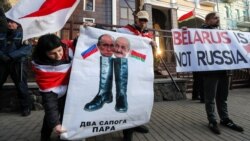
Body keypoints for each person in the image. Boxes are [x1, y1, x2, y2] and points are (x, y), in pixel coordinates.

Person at [201, 12, 244, 134]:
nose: (218, 19)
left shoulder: (221, 32)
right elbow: (190, 39)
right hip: (210, 71)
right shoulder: (200, 32)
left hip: (223, 70)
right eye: (215, 18)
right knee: (210, 98)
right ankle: (212, 120)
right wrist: (184, 32)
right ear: (208, 20)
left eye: (218, 18)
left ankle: (225, 119)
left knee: (223, 97)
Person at [32, 34, 73, 141]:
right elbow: (50, 104)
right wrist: (55, 124)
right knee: (50, 117)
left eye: (59, 50)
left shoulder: (67, 48)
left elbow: (82, 43)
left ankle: (62, 135)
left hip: (68, 90)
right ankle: (45, 136)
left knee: (65, 114)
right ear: (44, 54)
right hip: (52, 92)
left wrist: (89, 28)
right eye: (52, 54)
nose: (58, 55)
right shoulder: (42, 70)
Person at [0, 11, 32, 117]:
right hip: (3, 63)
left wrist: (11, 56)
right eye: (8, 22)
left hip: (17, 63)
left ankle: (26, 108)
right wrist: (2, 56)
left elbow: (27, 49)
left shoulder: (23, 35)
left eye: (12, 22)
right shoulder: (2, 34)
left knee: (21, 86)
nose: (10, 24)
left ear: (17, 24)